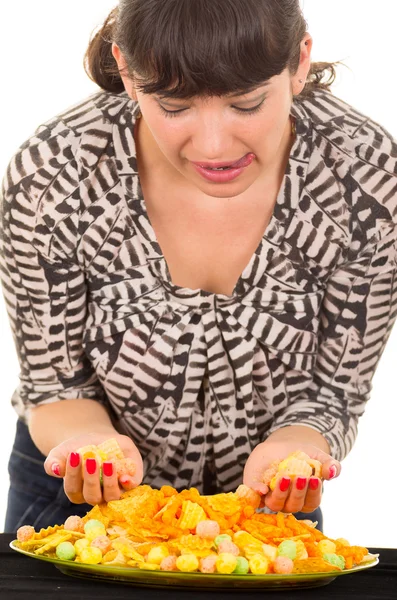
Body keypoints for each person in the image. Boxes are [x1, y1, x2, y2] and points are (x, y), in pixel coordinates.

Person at [1, 0, 396, 535]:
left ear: (300, 62)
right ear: (127, 71)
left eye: (247, 104)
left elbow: (334, 392)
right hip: (72, 489)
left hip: (265, 500)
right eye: (175, 106)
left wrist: (293, 450)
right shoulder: (53, 176)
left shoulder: (368, 178)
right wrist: (92, 447)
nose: (213, 146)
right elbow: (54, 387)